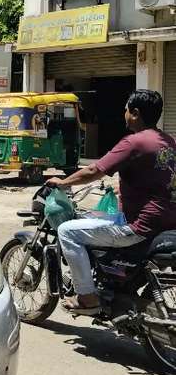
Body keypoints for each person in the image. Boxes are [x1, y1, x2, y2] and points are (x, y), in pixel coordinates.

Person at [48, 89, 176, 314]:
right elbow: (158, 175)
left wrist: (64, 183)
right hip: (168, 221)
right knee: (97, 219)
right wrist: (123, 187)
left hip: (141, 225)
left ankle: (87, 298)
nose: (123, 113)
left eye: (126, 109)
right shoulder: (167, 141)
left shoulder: (133, 142)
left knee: (68, 231)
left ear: (135, 113)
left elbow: (93, 170)